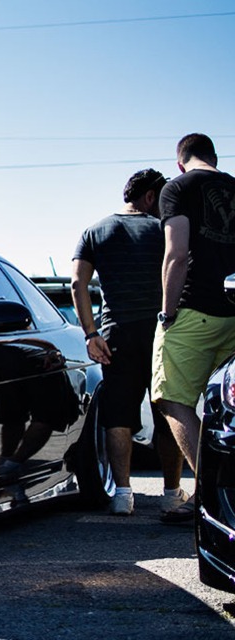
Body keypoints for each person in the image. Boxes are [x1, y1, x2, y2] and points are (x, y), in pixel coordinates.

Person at [71, 168, 186, 516]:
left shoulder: (95, 230)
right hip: (162, 332)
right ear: (150, 196)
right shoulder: (162, 230)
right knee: (167, 411)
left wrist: (91, 335)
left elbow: (78, 284)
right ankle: (171, 492)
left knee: (118, 415)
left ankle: (123, 494)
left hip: (115, 334)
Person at [152, 133, 235, 522]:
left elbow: (177, 254)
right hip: (233, 310)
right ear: (214, 157)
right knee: (226, 409)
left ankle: (213, 495)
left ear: (180, 161)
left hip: (192, 311)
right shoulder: (233, 187)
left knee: (174, 400)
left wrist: (168, 314)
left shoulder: (178, 187)